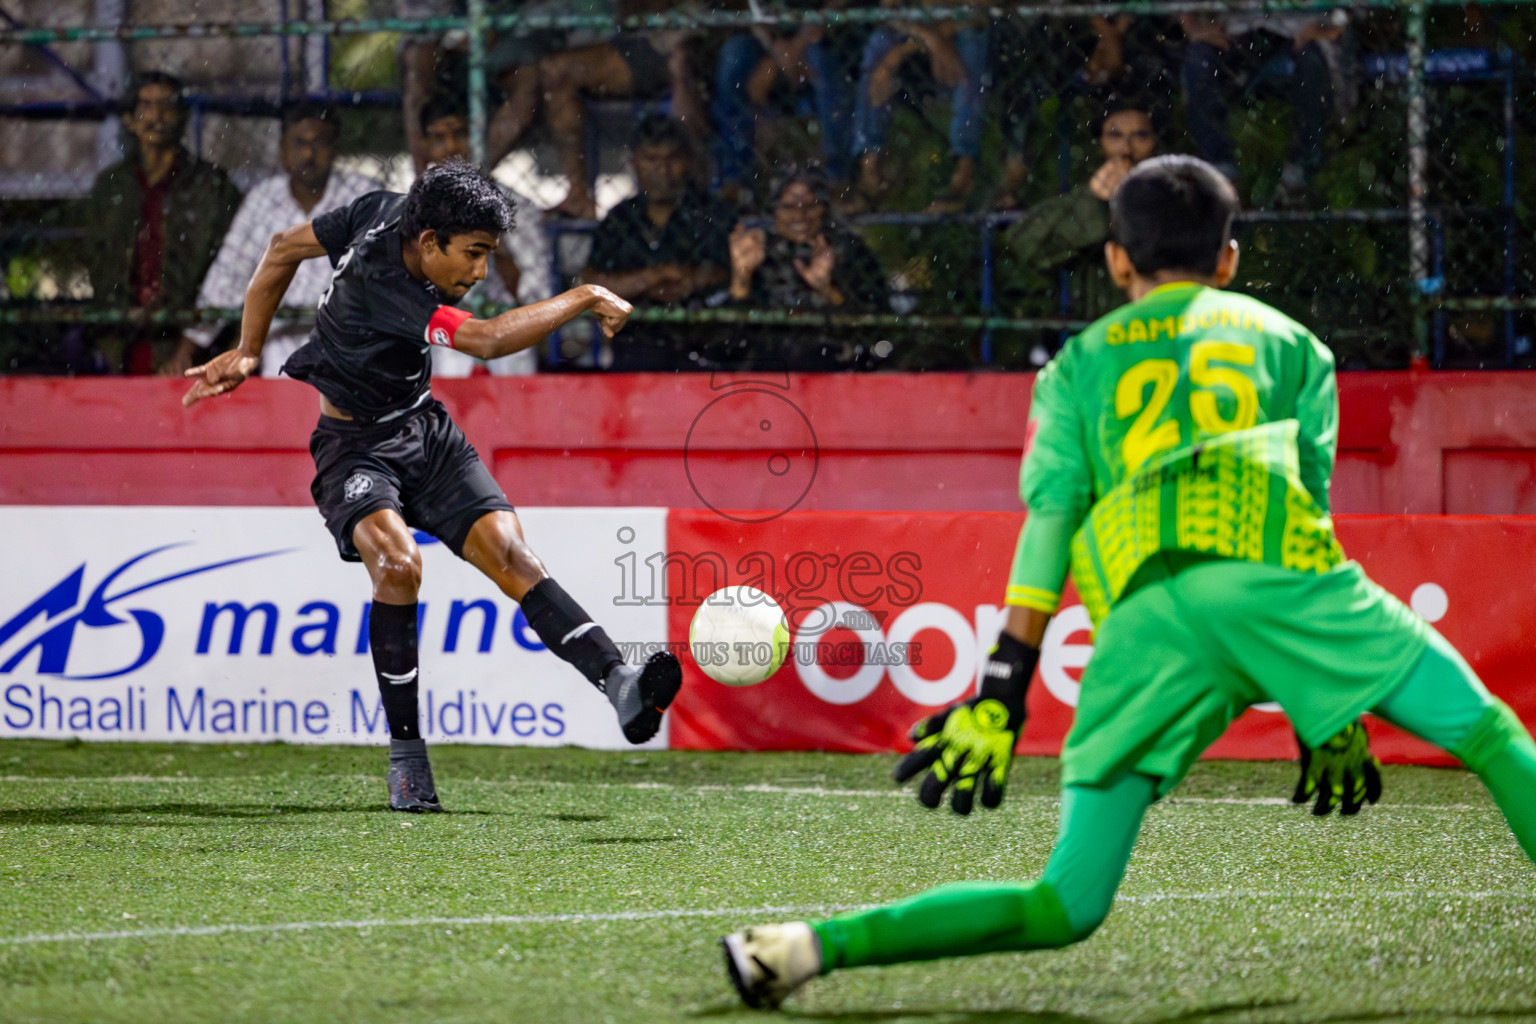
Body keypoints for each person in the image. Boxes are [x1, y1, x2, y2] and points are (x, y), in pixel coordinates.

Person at [720, 156, 1536, 1007]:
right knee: (1487, 737)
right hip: (1280, 582)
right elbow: (1307, 516)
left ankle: (806, 947)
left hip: (1147, 619)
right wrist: (1324, 711)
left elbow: (1051, 528)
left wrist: (1002, 690)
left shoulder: (1077, 364)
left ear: (1115, 261)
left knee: (1065, 901)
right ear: (1228, 259)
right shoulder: (1295, 347)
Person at [181, 162, 682, 811]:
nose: (478, 273)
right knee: (397, 565)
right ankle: (407, 758)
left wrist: (249, 348)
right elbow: (486, 340)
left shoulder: (386, 206)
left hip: (426, 431)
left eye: (487, 255)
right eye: (472, 256)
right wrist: (584, 295)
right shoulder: (387, 282)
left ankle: (621, 682)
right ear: (427, 244)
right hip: (355, 446)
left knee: (515, 558)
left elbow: (284, 250)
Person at [171, 103, 376, 378]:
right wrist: (187, 350)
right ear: (282, 150)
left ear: (334, 149)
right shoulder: (262, 201)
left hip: (351, 348)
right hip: (280, 351)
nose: (308, 153)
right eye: (299, 143)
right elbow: (228, 276)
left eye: (319, 143)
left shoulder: (363, 197)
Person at [71, 71, 242, 374]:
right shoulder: (112, 186)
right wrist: (122, 310)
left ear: (182, 116)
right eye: (146, 106)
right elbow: (95, 256)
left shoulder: (211, 186)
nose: (157, 117)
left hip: (187, 337)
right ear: (129, 118)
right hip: (121, 338)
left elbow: (231, 264)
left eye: (167, 106)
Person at [485, 2, 709, 219]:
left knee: (557, 70)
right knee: (548, 73)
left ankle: (699, 188)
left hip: (676, 35)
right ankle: (578, 196)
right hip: (628, 34)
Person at [1001, 97, 1160, 363]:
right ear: (1098, 143)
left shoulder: (1178, 193)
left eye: (1140, 136)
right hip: (1095, 336)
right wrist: (1093, 199)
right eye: (1115, 135)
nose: (1126, 148)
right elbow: (1023, 244)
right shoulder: (1078, 189)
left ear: (1156, 142)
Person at [581, 114, 733, 370]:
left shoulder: (712, 214)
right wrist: (655, 276)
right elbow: (593, 283)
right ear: (635, 162)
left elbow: (728, 272)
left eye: (672, 159)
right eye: (651, 159)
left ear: (687, 160)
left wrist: (687, 282)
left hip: (703, 342)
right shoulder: (620, 219)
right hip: (636, 346)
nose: (662, 170)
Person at [418, 93, 554, 376]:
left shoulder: (519, 208)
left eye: (460, 134)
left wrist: (490, 242)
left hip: (507, 344)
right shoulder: (412, 210)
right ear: (426, 146)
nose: (453, 147)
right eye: (439, 138)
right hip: (442, 347)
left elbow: (536, 300)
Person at [1180, 9, 1356, 206]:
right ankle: (1223, 172)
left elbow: (1343, 13)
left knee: (1315, 58)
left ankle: (1299, 175)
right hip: (1235, 35)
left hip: (1303, 33)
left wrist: (1327, 27)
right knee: (1199, 56)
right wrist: (1193, 27)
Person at [722, 172, 889, 369]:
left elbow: (879, 333)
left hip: (836, 368)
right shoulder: (754, 252)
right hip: (769, 371)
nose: (799, 216)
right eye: (788, 207)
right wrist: (742, 278)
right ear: (774, 211)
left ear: (824, 209)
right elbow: (727, 347)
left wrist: (828, 291)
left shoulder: (849, 251)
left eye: (810, 206)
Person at [710, 11, 858, 206]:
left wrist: (796, 45)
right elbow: (752, 12)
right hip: (769, 44)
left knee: (818, 59)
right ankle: (736, 176)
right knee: (735, 53)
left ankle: (836, 173)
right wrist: (773, 49)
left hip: (823, 35)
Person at [851, 4, 989, 213]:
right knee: (879, 44)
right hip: (921, 51)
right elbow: (890, 11)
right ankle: (870, 169)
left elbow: (980, 14)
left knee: (972, 41)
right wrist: (927, 40)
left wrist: (935, 38)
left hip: (973, 49)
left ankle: (963, 172)